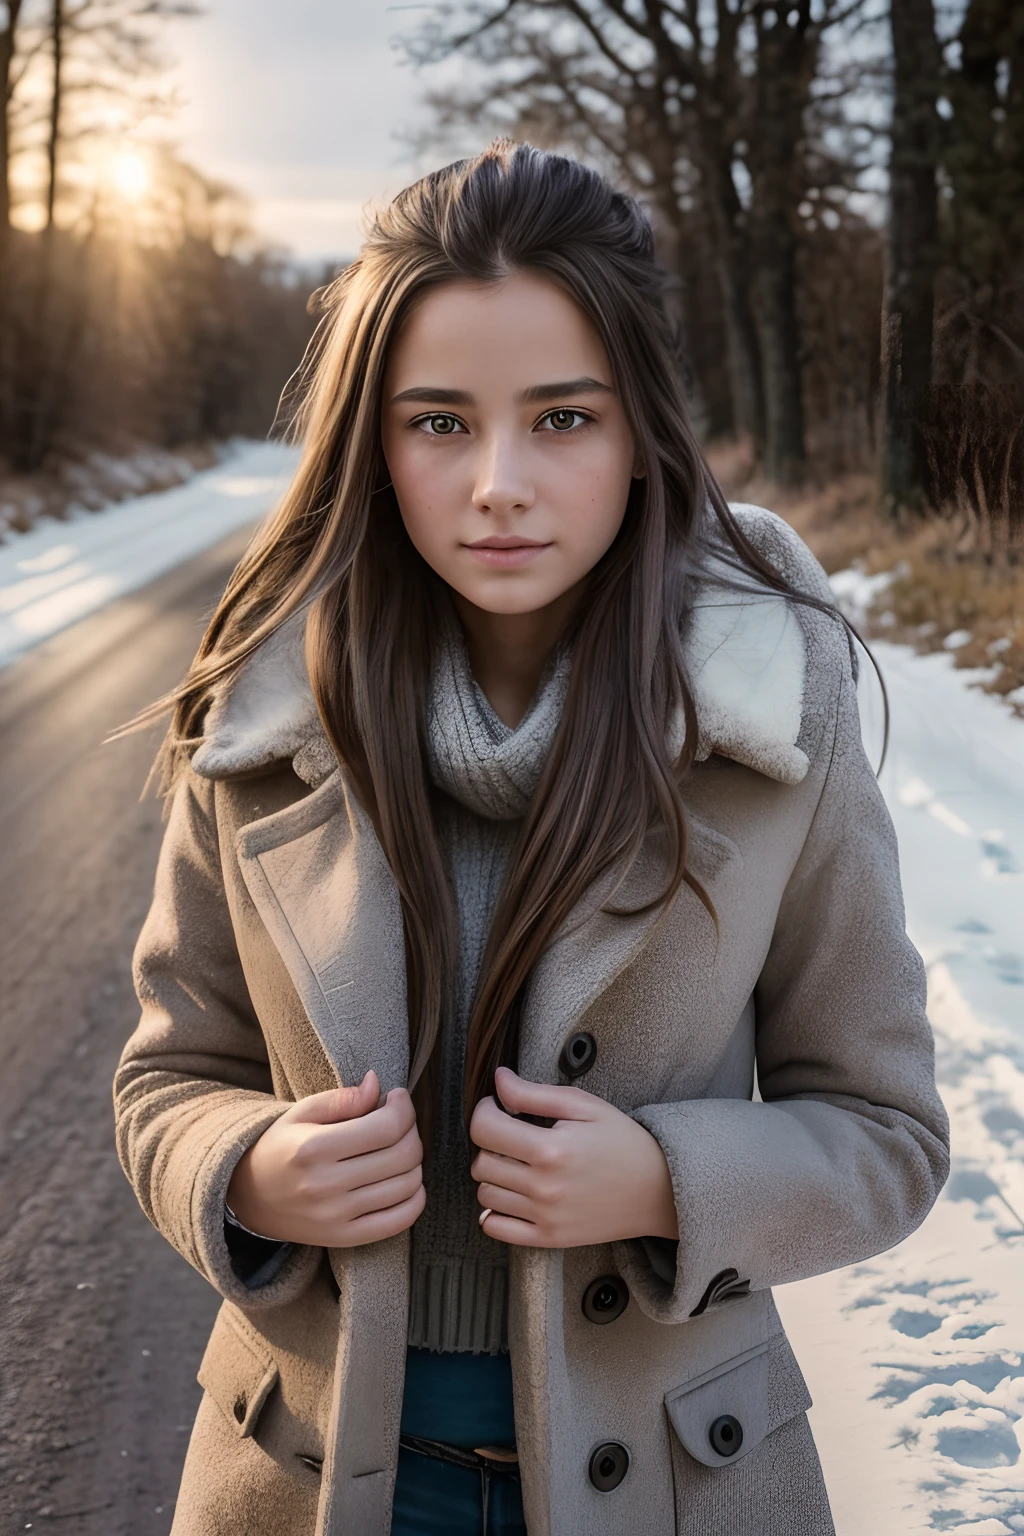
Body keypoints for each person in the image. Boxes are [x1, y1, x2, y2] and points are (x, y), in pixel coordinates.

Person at [114, 139, 949, 1536]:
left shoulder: (769, 704)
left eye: (562, 418)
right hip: (302, 1481)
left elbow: (890, 1135)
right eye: (439, 422)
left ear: (640, 434)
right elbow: (165, 1084)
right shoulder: (262, 700)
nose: (499, 480)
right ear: (373, 440)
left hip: (681, 1481)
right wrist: (249, 1171)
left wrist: (666, 1181)